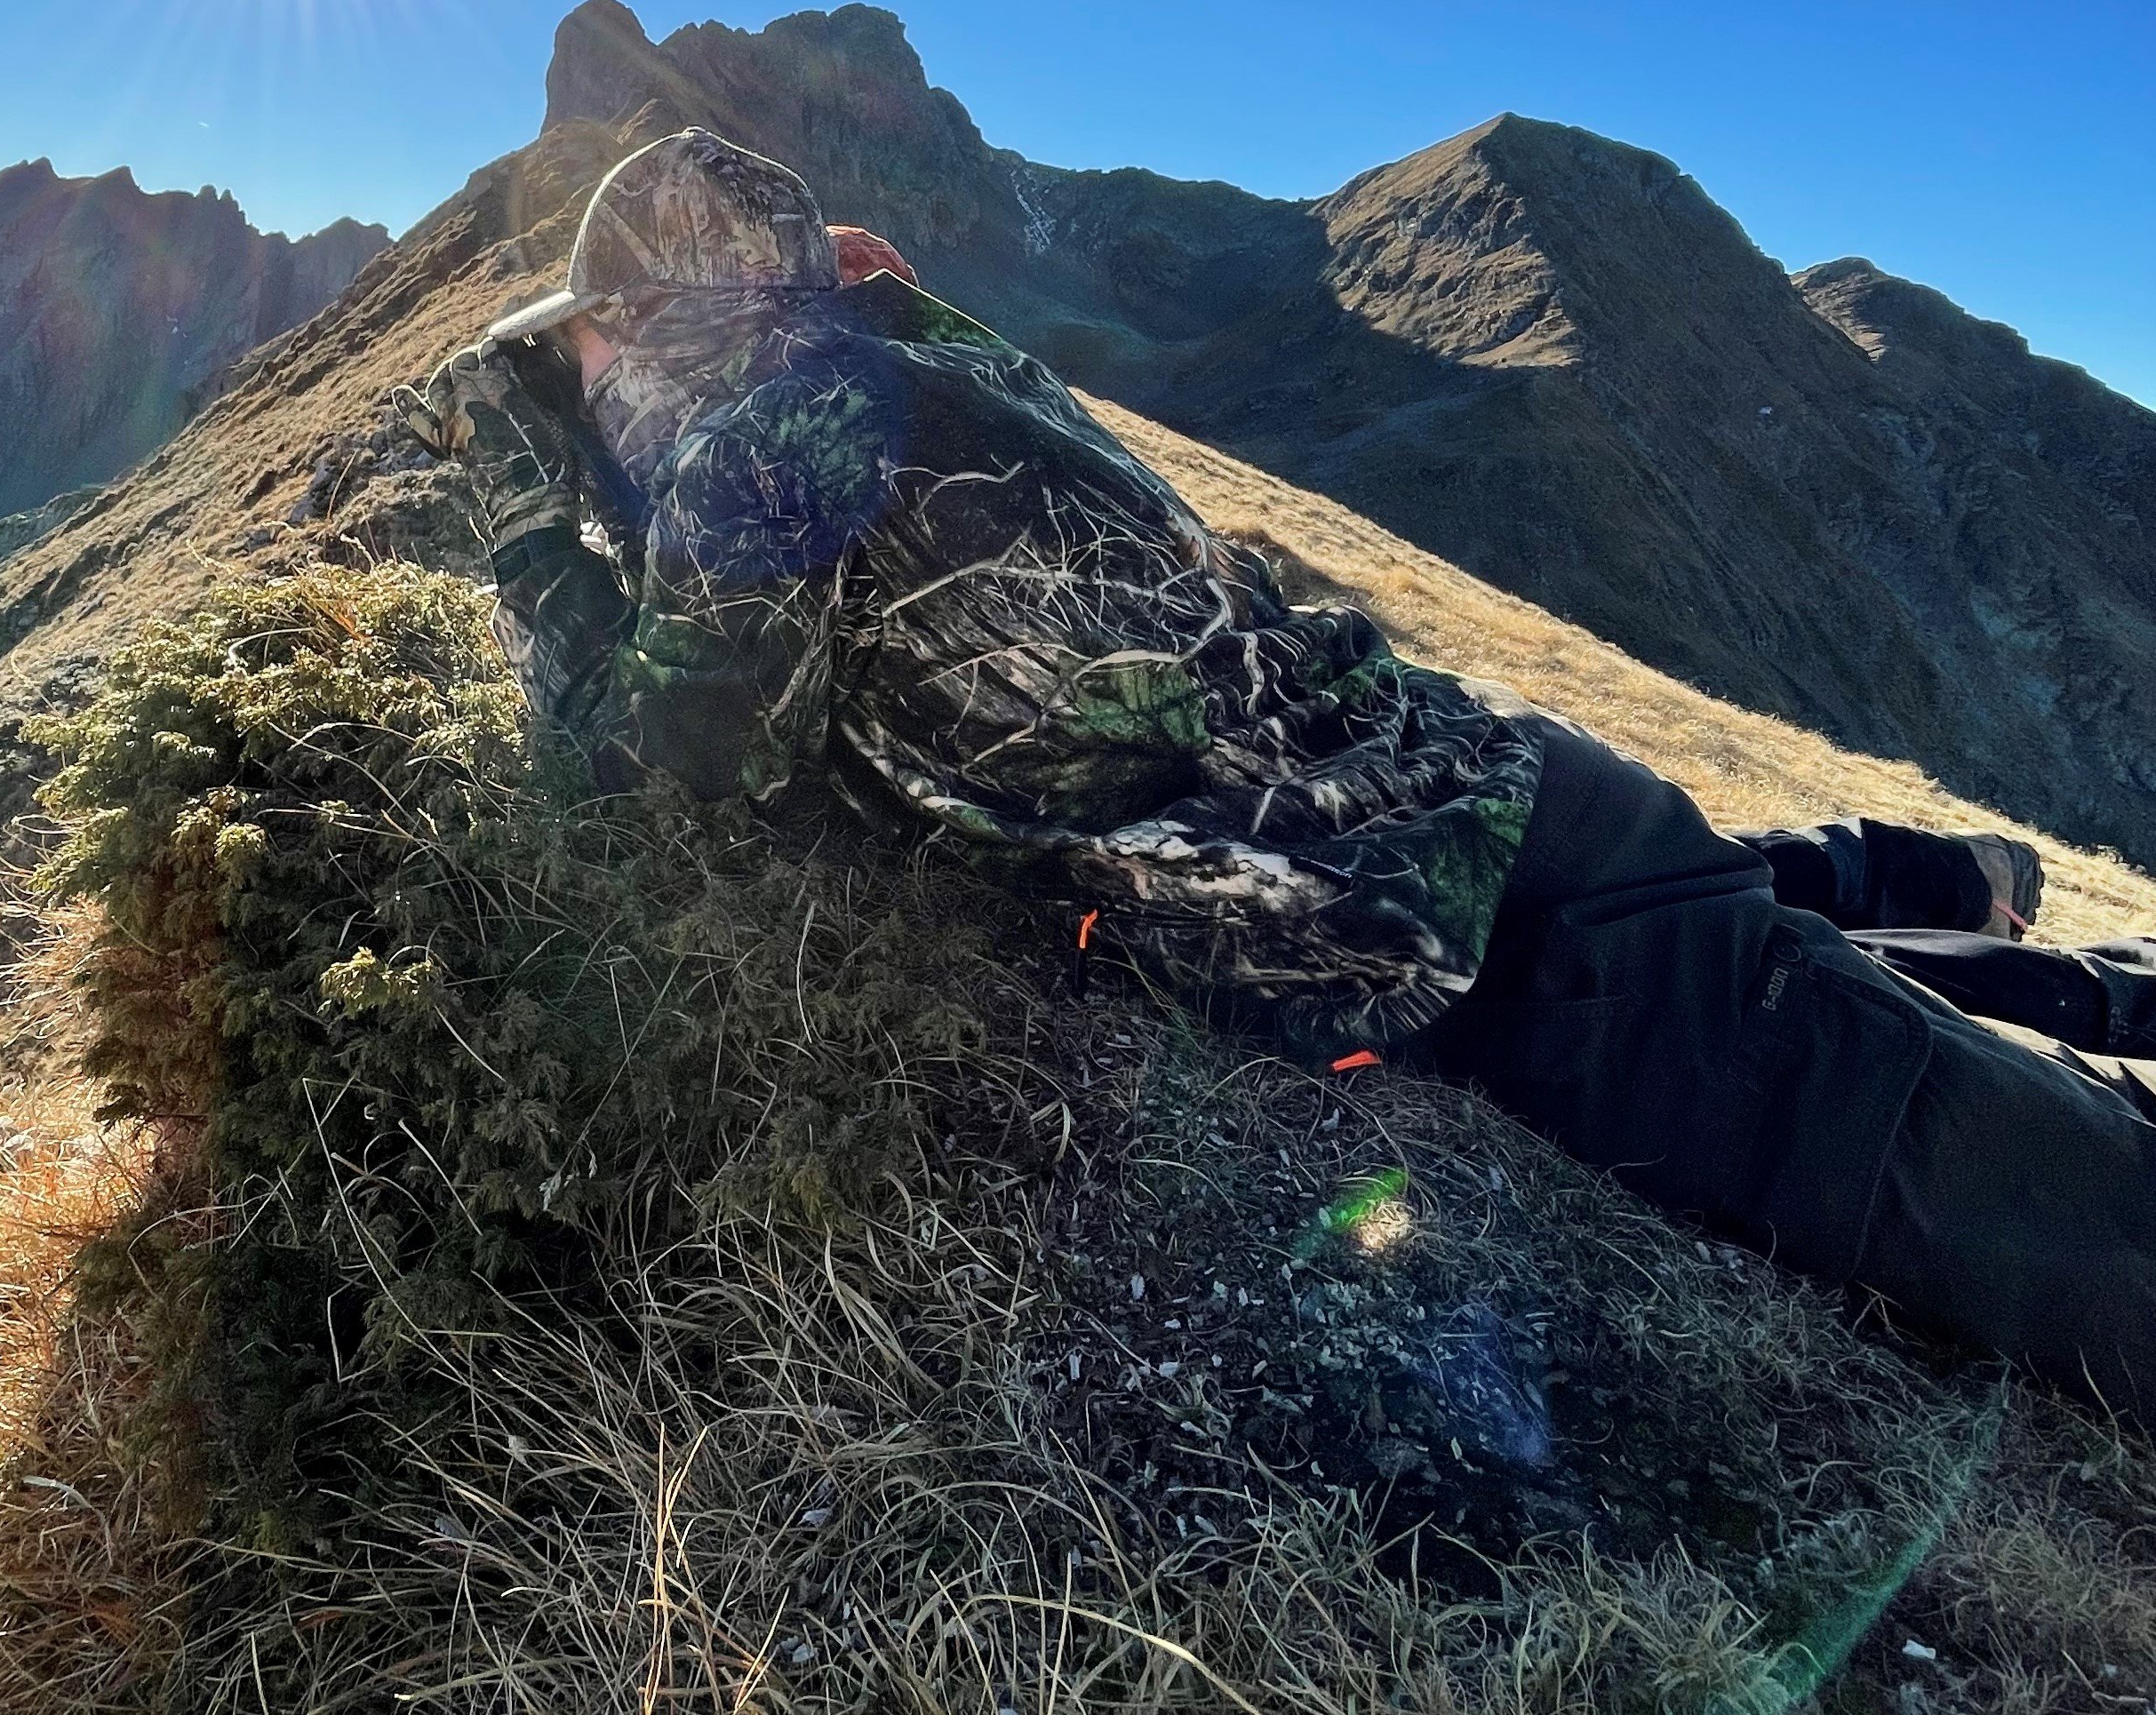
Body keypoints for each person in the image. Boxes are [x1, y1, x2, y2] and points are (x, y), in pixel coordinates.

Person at [404, 128, 2156, 1420]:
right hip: (1494, 813)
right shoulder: (921, 371)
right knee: (1790, 983)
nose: (586, 366)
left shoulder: (761, 463)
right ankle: (2017, 934)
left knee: (2015, 1201)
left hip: (1501, 934)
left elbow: (644, 765)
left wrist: (520, 530)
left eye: (598, 335)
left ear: (666, 321)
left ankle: (2012, 969)